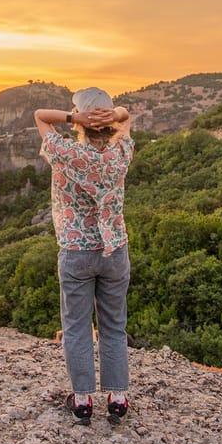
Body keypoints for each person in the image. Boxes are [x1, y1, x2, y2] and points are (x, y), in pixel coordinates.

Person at [34, 87, 134, 425]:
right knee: (114, 327)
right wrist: (116, 112)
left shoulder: (65, 153)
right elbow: (127, 119)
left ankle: (82, 401)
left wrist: (72, 117)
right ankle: (118, 399)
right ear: (106, 123)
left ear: (81, 120)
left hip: (77, 252)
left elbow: (39, 116)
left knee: (76, 327)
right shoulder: (120, 152)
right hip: (115, 251)